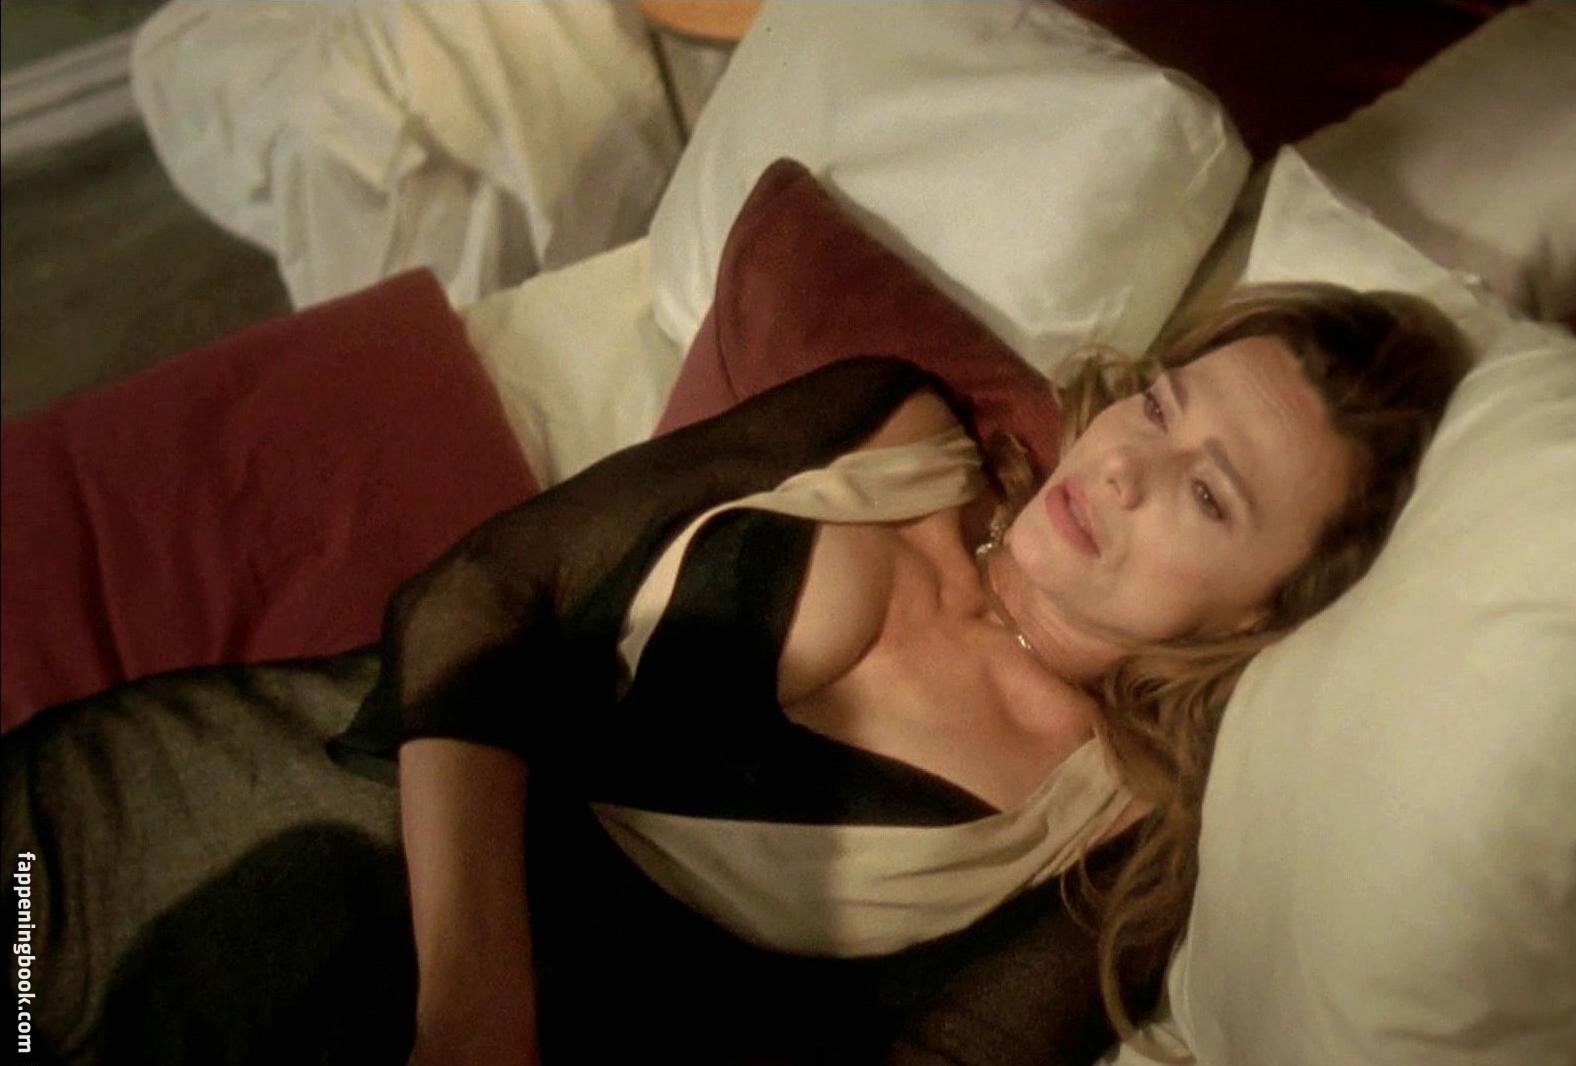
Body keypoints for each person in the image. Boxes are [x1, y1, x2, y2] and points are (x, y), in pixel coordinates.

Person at [0, 282, 1467, 1066]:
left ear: (1268, 616)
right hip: (192, 815)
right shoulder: (893, 424)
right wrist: (477, 1016)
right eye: (1160, 401)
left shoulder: (1117, 837)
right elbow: (480, 592)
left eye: (1209, 493)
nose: (1129, 465)